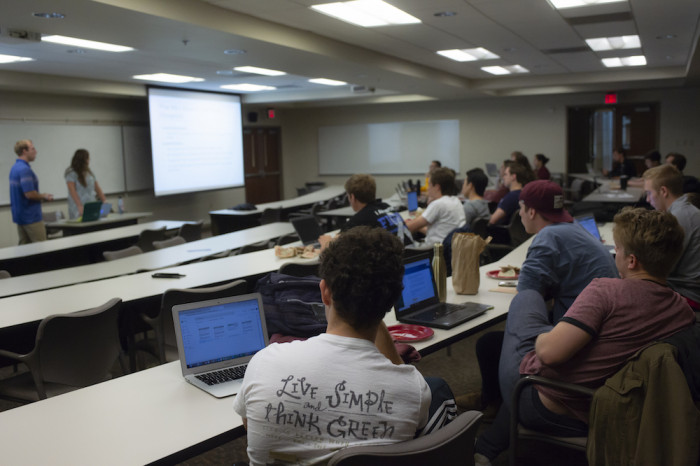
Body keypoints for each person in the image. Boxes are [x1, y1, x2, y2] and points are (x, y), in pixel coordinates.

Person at [474, 207, 696, 465]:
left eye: (619, 250)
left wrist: (543, 336)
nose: (617, 255)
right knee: (504, 342)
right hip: (613, 402)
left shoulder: (605, 291)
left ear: (632, 260)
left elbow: (548, 354)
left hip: (549, 404)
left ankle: (486, 443)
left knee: (527, 298)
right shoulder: (681, 309)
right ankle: (487, 448)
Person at [234, 227, 433, 465]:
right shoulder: (413, 389)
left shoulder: (265, 362)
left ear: (324, 292)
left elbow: (250, 425)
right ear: (391, 301)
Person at [459, 180, 618, 413]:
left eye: (521, 208)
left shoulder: (547, 238)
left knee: (488, 343)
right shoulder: (575, 229)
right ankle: (495, 402)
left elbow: (527, 294)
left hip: (578, 345)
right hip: (601, 335)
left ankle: (495, 404)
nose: (520, 214)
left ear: (531, 211)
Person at [643, 164, 700, 310]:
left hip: (688, 295)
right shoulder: (685, 210)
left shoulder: (678, 218)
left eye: (649, 193)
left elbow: (661, 268)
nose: (648, 200)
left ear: (663, 191)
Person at [319, 174, 412, 248]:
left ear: (352, 197)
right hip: (408, 258)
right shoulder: (387, 207)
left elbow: (331, 251)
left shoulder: (358, 221)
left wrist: (325, 242)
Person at [9, 139, 54, 244]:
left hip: (20, 216)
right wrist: (44, 196)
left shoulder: (14, 168)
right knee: (42, 248)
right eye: (32, 149)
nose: (36, 151)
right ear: (24, 151)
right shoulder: (25, 170)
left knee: (24, 250)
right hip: (31, 217)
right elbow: (29, 194)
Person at [406, 167, 465, 244]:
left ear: (437, 187)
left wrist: (405, 222)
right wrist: (418, 227)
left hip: (434, 251)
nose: (427, 188)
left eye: (429, 184)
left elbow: (409, 228)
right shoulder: (456, 201)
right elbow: (438, 233)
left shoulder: (438, 204)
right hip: (449, 248)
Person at [65, 149, 107, 219]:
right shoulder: (71, 173)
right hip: (77, 207)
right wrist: (79, 205)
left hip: (90, 204)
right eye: (87, 158)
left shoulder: (89, 173)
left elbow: (97, 187)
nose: (89, 160)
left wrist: (104, 201)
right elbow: (72, 191)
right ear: (82, 160)